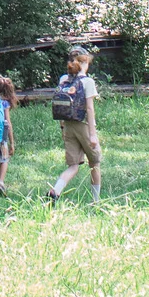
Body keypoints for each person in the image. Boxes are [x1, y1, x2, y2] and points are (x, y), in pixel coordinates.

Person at [46, 45, 102, 204]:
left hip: (68, 125)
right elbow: (89, 109)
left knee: (73, 165)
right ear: (85, 62)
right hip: (83, 125)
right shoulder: (87, 82)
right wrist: (92, 135)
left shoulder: (63, 80)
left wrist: (63, 126)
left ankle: (55, 191)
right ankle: (96, 201)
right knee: (95, 163)